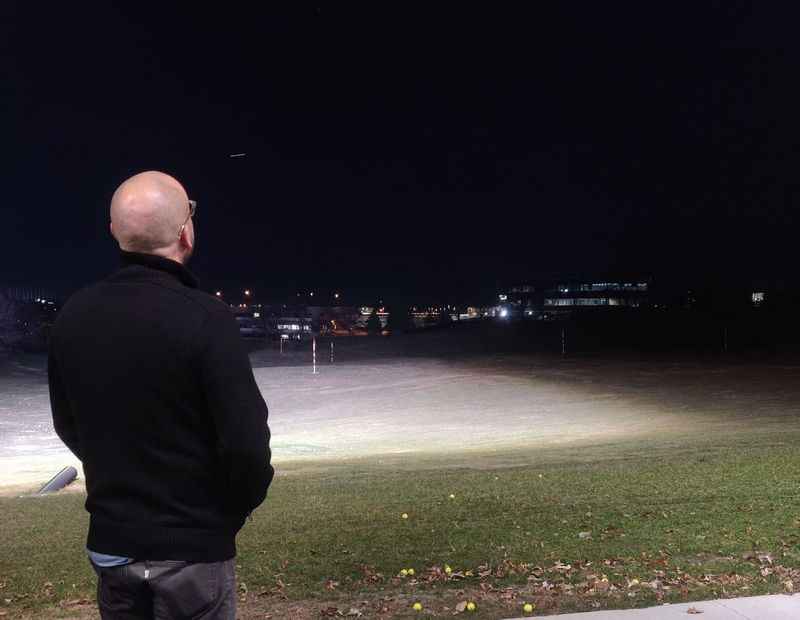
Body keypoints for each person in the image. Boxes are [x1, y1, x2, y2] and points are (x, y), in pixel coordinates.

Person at [48, 171, 274, 619]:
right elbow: (246, 446)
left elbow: (68, 424)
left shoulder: (73, 316)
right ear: (185, 232)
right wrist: (228, 513)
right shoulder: (208, 318)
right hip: (194, 551)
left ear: (115, 233)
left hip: (113, 544)